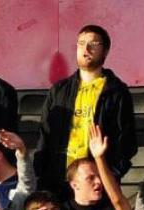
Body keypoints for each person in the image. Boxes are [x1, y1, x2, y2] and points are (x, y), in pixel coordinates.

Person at [34, 25, 135, 187]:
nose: (86, 49)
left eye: (93, 44)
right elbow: (45, 135)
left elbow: (127, 142)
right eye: (81, 43)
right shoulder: (58, 90)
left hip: (97, 183)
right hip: (59, 181)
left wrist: (110, 174)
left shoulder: (117, 92)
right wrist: (41, 174)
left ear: (106, 51)